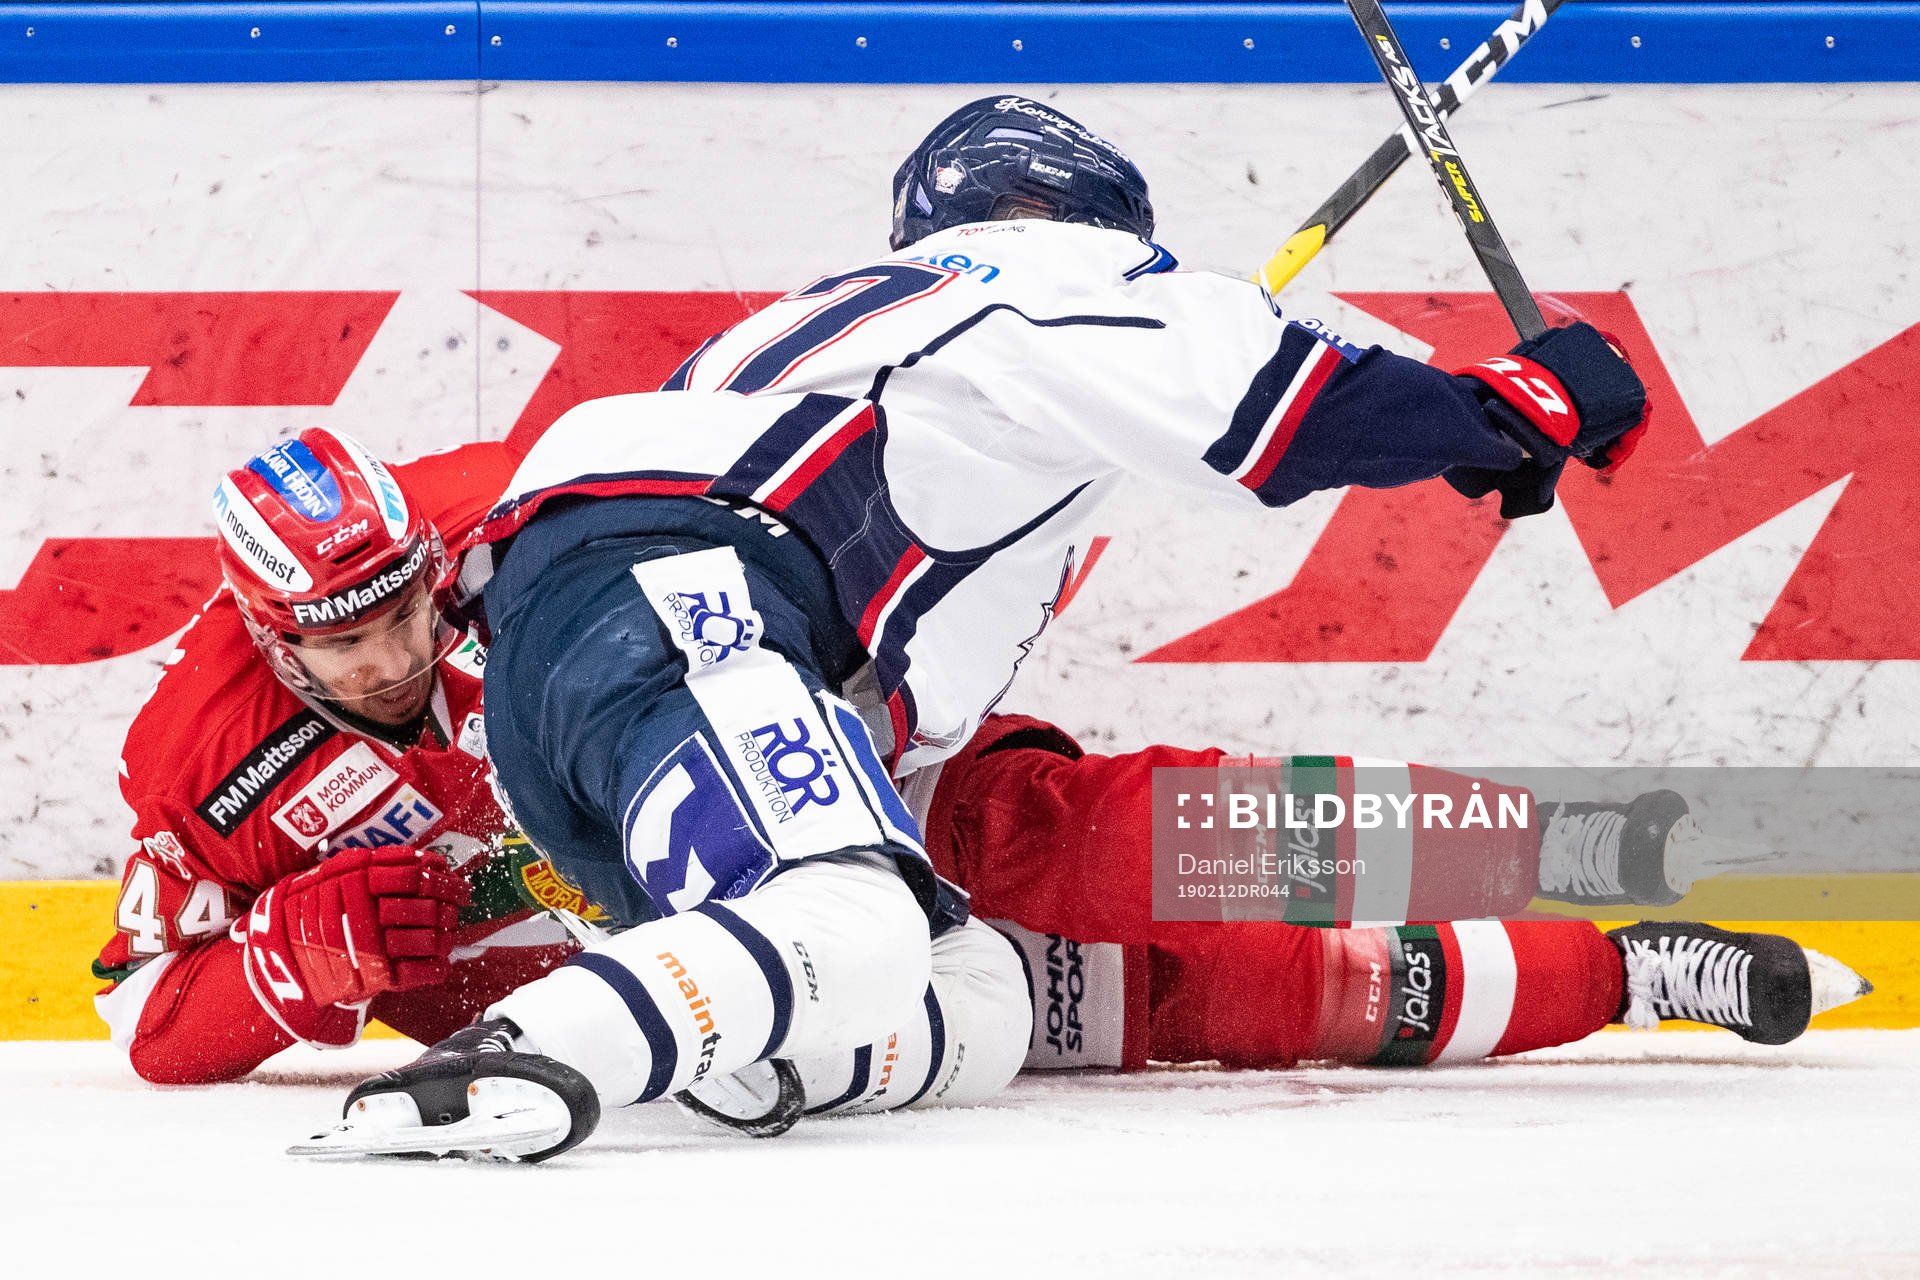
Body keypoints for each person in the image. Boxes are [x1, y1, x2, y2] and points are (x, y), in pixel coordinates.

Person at [299, 96, 1861, 1162]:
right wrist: (1507, 406)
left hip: (692, 706)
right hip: (698, 617)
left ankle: (1625, 966)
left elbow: (1229, 379)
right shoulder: (1033, 270)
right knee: (903, 908)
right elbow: (1268, 402)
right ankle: (514, 1063)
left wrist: (1443, 425)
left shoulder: (848, 337)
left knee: (1027, 989)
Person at [93, 429, 577, 1084]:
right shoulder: (204, 759)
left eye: (405, 613)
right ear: (275, 637)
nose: (395, 663)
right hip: (519, 1003)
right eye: (346, 641)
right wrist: (290, 951)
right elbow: (144, 1018)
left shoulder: (516, 507)